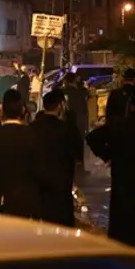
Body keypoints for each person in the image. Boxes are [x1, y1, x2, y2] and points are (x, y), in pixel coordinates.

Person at [86, 85, 135, 254]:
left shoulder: (118, 124)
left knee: (123, 219)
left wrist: (108, 156)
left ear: (130, 105)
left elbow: (92, 137)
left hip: (123, 177)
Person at [0, 89, 43, 219]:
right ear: (22, 111)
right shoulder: (34, 137)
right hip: (25, 203)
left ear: (3, 111)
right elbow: (39, 172)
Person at [31, 89, 84, 226]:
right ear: (59, 106)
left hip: (39, 183)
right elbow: (77, 151)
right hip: (62, 182)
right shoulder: (65, 128)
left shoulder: (32, 128)